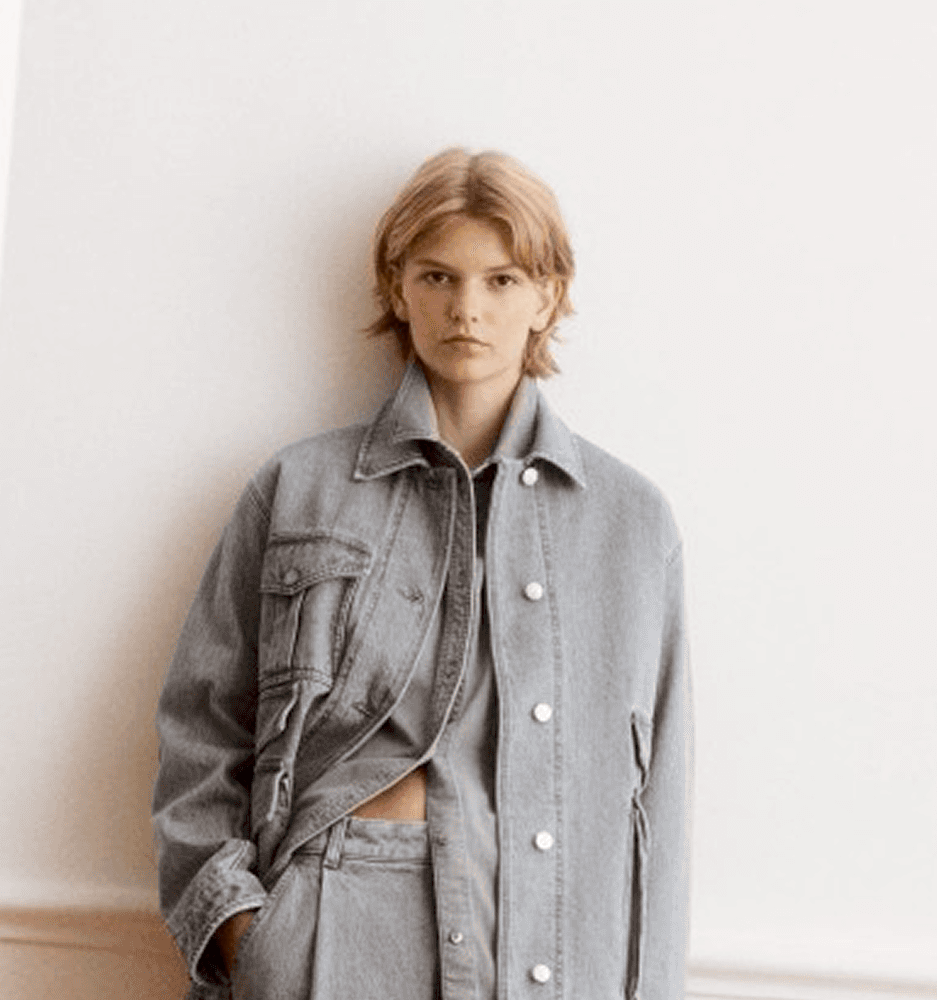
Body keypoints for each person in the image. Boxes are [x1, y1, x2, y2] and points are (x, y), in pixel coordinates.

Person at [151, 148, 691, 1000]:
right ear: (397, 288)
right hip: (333, 929)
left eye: (501, 280)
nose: (466, 309)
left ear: (548, 294)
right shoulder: (300, 489)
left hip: (541, 938)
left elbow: (658, 802)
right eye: (438, 276)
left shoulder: (630, 522)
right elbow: (203, 726)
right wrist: (239, 935)